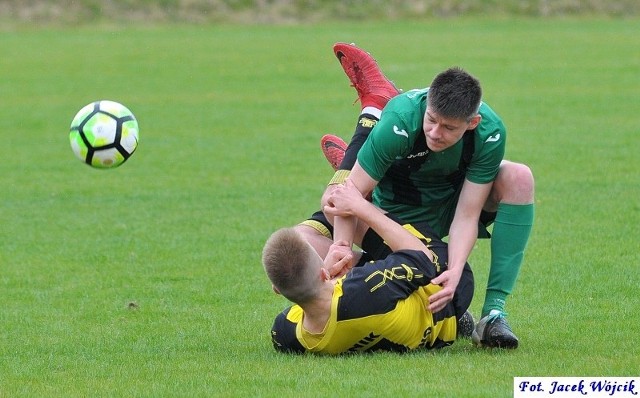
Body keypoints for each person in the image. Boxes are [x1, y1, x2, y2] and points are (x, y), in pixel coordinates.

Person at [310, 43, 535, 349]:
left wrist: (456, 269)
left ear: (472, 123)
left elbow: (467, 215)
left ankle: (493, 314)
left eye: (448, 128)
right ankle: (373, 122)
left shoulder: (490, 132)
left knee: (520, 177)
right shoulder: (403, 118)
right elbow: (350, 197)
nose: (434, 132)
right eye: (431, 120)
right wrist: (341, 248)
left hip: (448, 204)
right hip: (397, 214)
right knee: (330, 203)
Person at [263, 180, 474, 354]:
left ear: (277, 290)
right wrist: (360, 207)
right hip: (449, 292)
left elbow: (306, 295)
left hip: (400, 310)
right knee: (340, 204)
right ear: (321, 272)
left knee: (305, 234)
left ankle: (356, 190)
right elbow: (423, 259)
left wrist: (330, 274)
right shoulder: (369, 285)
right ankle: (362, 186)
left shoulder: (285, 334)